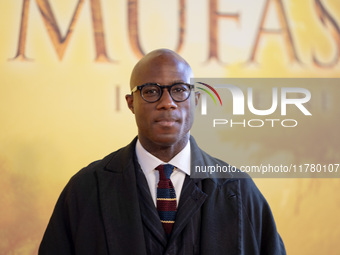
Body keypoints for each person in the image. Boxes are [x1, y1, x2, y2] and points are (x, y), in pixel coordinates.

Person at [39, 49, 286, 255]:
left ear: (196, 100)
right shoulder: (85, 190)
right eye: (150, 91)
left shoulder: (239, 190)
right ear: (130, 103)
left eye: (179, 90)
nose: (167, 102)